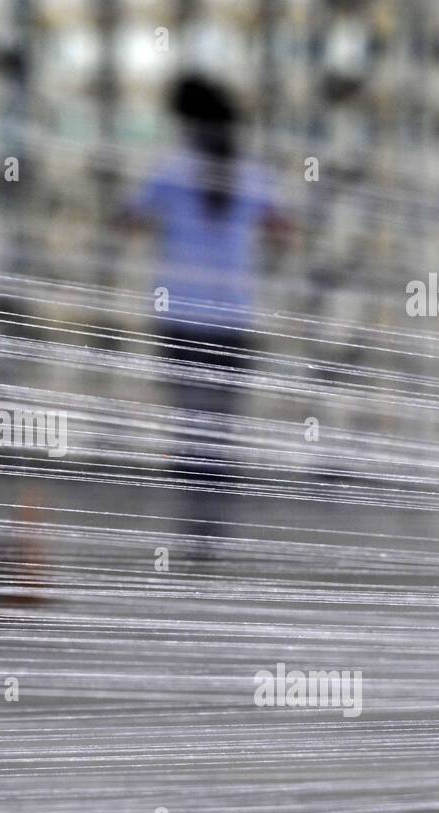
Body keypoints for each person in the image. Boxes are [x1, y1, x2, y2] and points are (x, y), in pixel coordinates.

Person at [129, 75, 287, 533]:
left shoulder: (170, 171)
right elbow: (281, 227)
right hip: (232, 317)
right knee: (220, 422)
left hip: (181, 315)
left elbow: (129, 217)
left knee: (191, 419)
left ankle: (195, 524)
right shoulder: (253, 174)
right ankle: (213, 525)